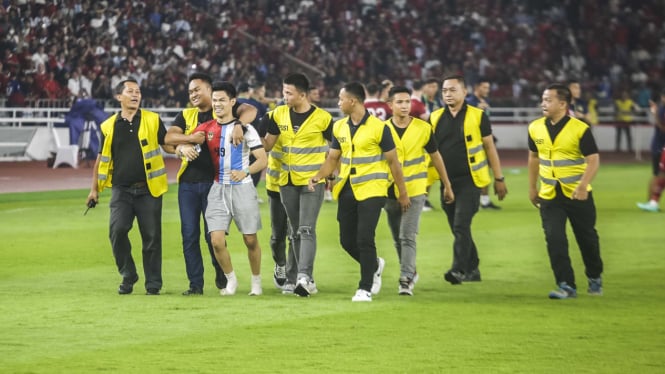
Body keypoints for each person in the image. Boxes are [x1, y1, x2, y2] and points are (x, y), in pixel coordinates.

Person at [308, 82, 410, 302]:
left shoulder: (380, 128)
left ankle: (364, 288)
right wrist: (318, 176)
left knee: (365, 237)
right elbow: (333, 158)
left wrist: (402, 193)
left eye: (340, 98)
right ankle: (375, 265)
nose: (338, 102)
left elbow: (394, 163)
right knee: (346, 241)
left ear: (352, 101)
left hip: (373, 189)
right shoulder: (339, 127)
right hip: (348, 188)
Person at [162, 73, 258, 296]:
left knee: (213, 236)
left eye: (197, 90)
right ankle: (195, 285)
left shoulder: (226, 110)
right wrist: (184, 146)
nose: (193, 95)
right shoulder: (186, 115)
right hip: (188, 183)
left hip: (214, 182)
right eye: (190, 92)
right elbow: (168, 138)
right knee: (189, 234)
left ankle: (223, 279)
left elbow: (251, 110)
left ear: (210, 90)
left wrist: (239, 126)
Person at [86, 78, 168, 295]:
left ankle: (153, 285)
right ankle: (128, 274)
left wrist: (185, 143)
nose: (135, 95)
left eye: (138, 91)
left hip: (149, 189)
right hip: (121, 190)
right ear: (118, 97)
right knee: (117, 232)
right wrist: (93, 189)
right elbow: (101, 158)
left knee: (151, 238)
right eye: (130, 91)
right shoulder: (108, 126)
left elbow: (167, 142)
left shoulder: (153, 119)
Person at [187, 81, 267, 296]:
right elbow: (188, 141)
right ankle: (231, 281)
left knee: (250, 239)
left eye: (222, 100)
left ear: (232, 102)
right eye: (214, 100)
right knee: (216, 240)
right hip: (218, 188)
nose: (217, 104)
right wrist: (183, 148)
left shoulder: (246, 129)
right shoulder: (206, 128)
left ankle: (256, 282)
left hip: (243, 188)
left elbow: (262, 160)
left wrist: (245, 171)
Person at [527, 83, 603, 299]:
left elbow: (594, 160)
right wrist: (532, 187)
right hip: (549, 194)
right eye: (542, 99)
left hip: (578, 195)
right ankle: (566, 285)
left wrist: (582, 185)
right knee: (554, 238)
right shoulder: (535, 128)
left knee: (587, 238)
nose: (543, 103)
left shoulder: (580, 129)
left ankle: (594, 277)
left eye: (548, 99)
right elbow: (533, 157)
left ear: (563, 104)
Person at [430, 75, 508, 285]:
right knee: (457, 228)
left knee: (461, 225)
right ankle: (473, 268)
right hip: (447, 183)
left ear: (465, 92)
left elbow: (490, 147)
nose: (448, 94)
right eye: (445, 90)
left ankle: (458, 270)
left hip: (471, 181)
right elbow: (431, 152)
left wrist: (499, 178)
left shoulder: (478, 116)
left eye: (453, 90)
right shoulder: (435, 117)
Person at [262, 73, 334, 297]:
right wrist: (244, 131)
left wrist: (329, 174)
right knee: (293, 233)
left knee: (305, 229)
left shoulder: (323, 119)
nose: (284, 97)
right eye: (284, 92)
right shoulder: (277, 115)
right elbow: (267, 145)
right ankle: (293, 279)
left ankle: (305, 277)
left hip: (312, 182)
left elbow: (336, 150)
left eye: (288, 93)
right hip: (286, 181)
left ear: (303, 95)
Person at [385, 86, 455, 296]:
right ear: (390, 106)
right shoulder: (381, 130)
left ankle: (405, 278)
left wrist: (447, 184)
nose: (405, 106)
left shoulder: (424, 129)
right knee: (398, 237)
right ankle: (411, 270)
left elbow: (436, 157)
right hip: (390, 191)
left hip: (416, 190)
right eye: (400, 102)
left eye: (408, 102)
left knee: (407, 236)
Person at [257, 111, 294, 293]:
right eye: (285, 92)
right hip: (277, 184)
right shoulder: (271, 116)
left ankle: (299, 274)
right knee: (277, 235)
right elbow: (262, 145)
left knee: (299, 232)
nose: (286, 96)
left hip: (302, 185)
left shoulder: (317, 118)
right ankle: (281, 264)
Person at [466, 77, 501, 210]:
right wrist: (475, 108)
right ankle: (474, 199)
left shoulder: (485, 101)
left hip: (484, 140)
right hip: (473, 143)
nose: (487, 90)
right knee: (472, 171)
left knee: (486, 169)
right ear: (477, 87)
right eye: (484, 87)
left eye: (488, 87)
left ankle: (485, 200)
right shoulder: (469, 102)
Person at [637, 90, 665, 212]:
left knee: (659, 175)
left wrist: (655, 114)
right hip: (660, 146)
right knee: (658, 175)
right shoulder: (662, 109)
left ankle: (652, 202)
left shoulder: (660, 109)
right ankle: (652, 202)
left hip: (660, 146)